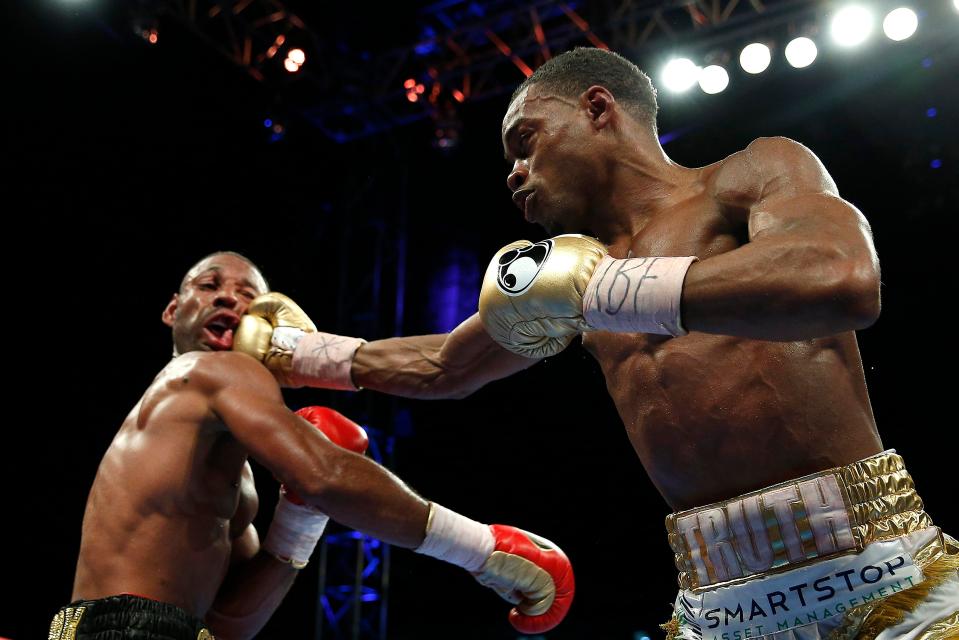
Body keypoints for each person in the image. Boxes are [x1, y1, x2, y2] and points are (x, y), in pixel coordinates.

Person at [237, 49, 959, 640]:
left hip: (882, 571)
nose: (514, 172)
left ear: (596, 108)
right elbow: (440, 368)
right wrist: (287, 351)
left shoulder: (746, 175)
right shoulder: (565, 279)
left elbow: (838, 277)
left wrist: (606, 290)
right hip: (721, 603)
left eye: (525, 141)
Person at [49, 251, 574, 640]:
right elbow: (324, 474)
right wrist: (483, 549)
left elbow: (228, 626)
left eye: (249, 295)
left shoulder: (232, 477)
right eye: (209, 286)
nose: (229, 297)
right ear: (172, 310)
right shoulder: (207, 370)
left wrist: (299, 518)